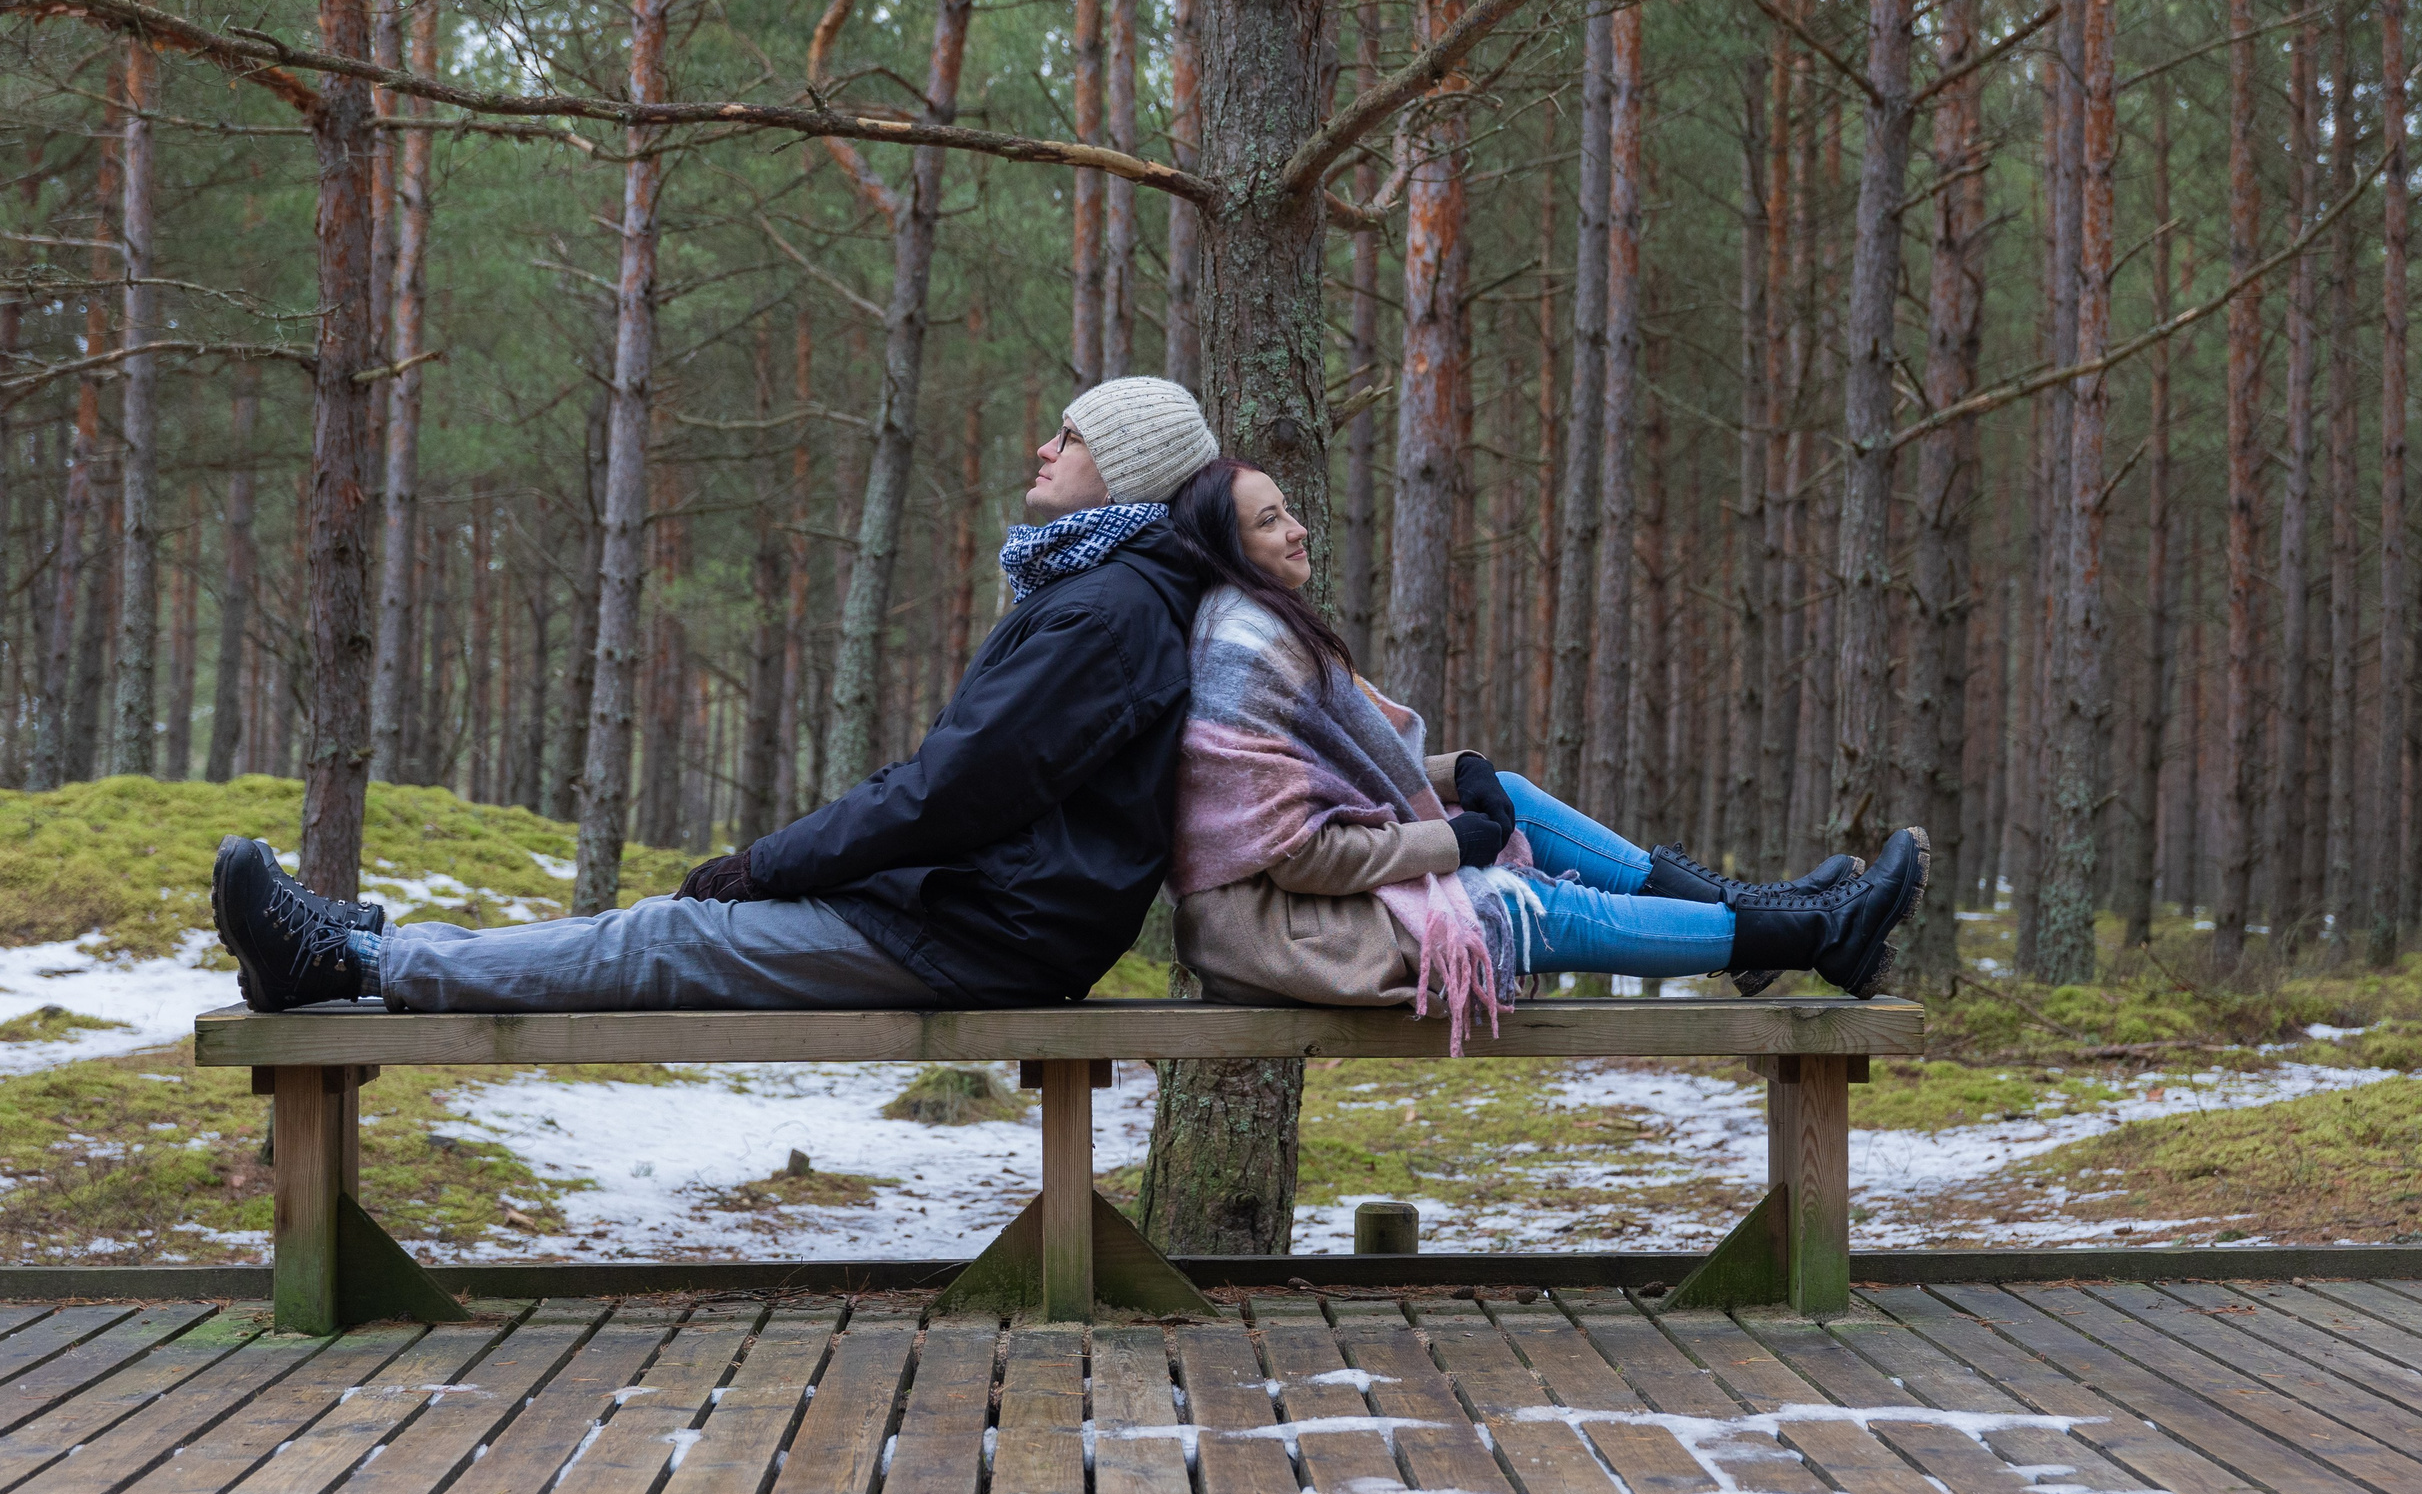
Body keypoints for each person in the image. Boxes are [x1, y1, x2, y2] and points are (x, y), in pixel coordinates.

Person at [212, 375, 1222, 1014]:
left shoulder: (1105, 615)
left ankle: (348, 966)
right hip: (984, 913)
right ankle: (363, 940)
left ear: (1126, 475)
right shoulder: (1105, 597)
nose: (1042, 449)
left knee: (666, 936)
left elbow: (950, 790)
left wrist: (762, 865)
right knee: (667, 926)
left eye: (1070, 437)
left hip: (985, 933)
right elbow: (963, 789)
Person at [1163, 457, 1926, 1041]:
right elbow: (1301, 853)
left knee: (1511, 792)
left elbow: (1330, 782)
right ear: (1229, 546)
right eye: (1270, 520)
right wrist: (1451, 840)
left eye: (1288, 509)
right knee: (1528, 904)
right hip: (1286, 931)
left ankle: (1770, 919)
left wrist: (1458, 775)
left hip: (1303, 904)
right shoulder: (1245, 650)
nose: (1297, 527)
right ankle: (1813, 931)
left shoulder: (1256, 625)